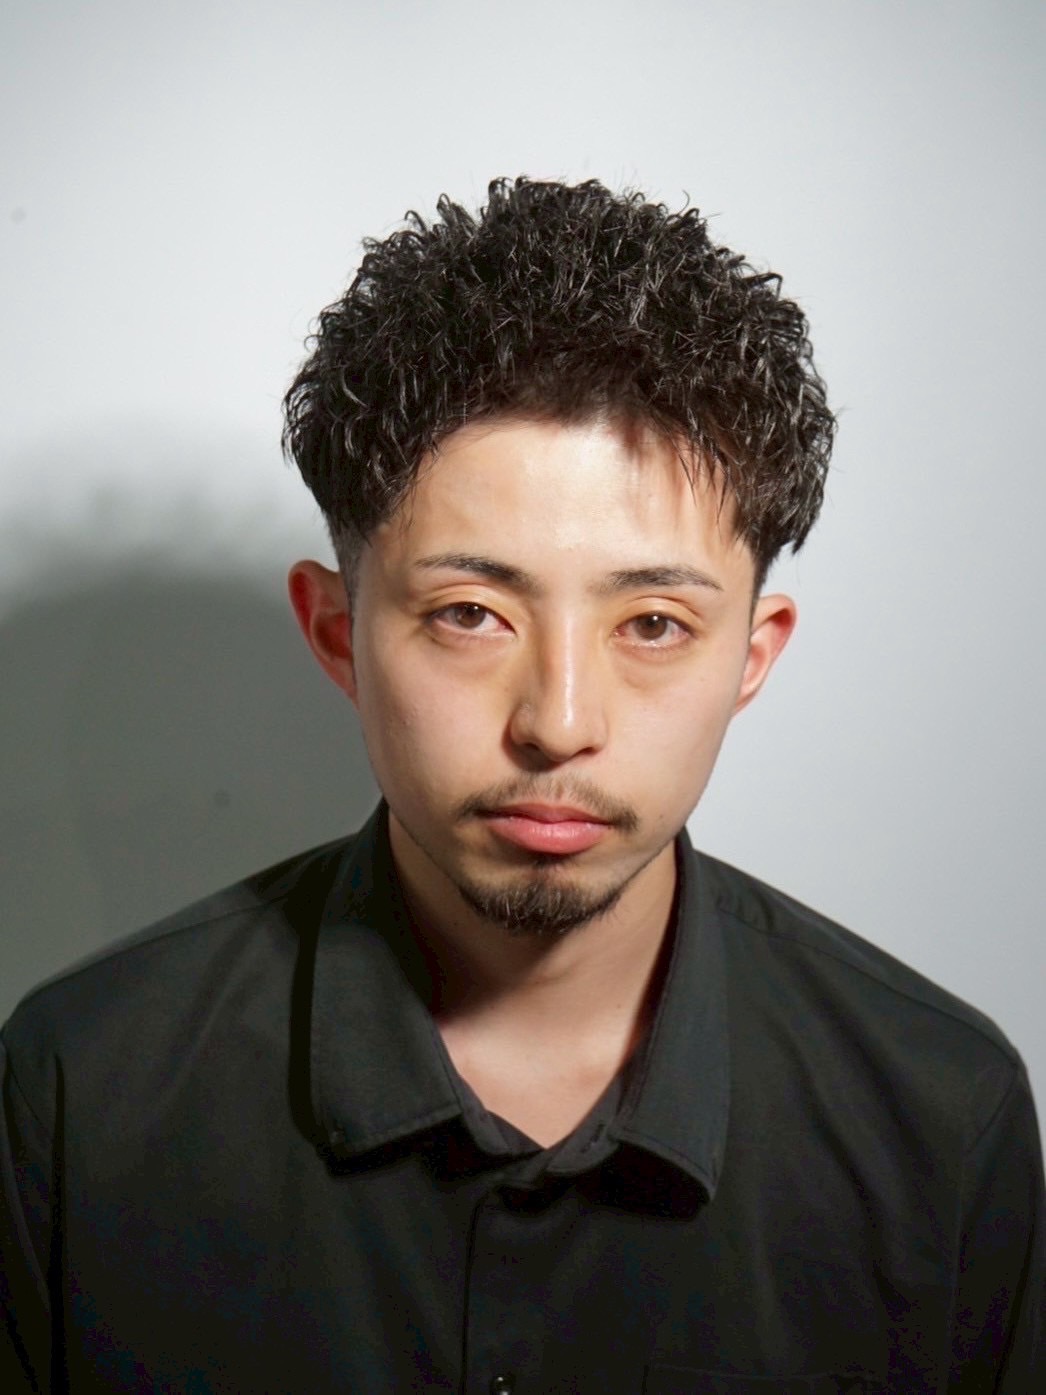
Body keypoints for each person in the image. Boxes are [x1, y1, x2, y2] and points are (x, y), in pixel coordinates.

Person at [1, 178, 1041, 1392]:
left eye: (651, 624)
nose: (557, 723)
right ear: (337, 634)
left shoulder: (939, 1117)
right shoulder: (81, 1093)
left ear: (750, 658)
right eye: (469, 614)